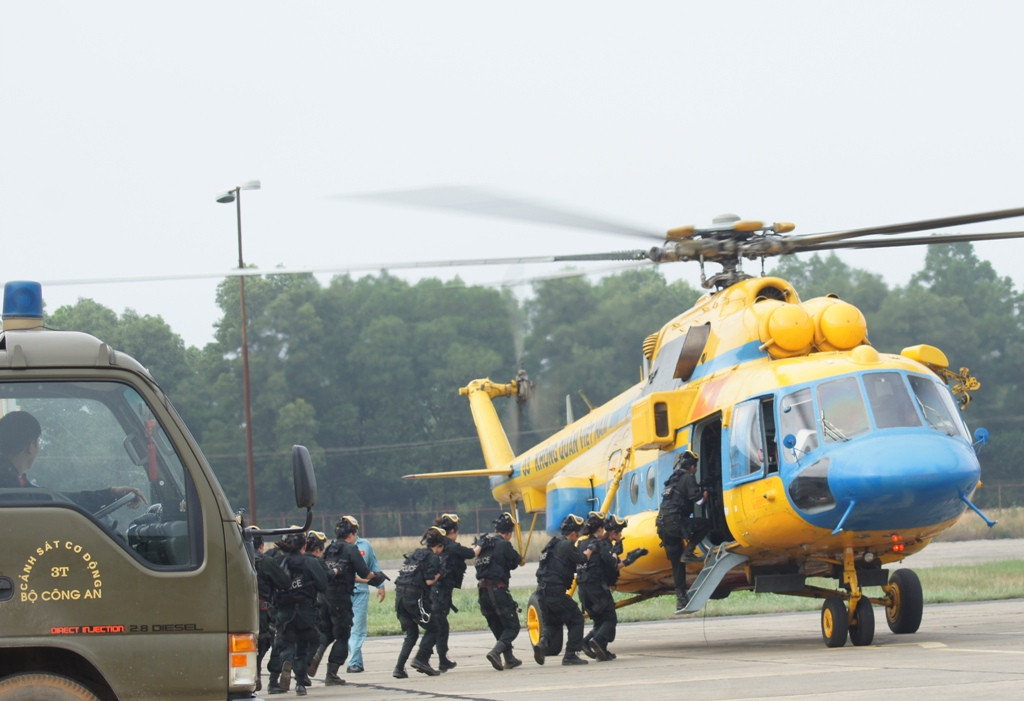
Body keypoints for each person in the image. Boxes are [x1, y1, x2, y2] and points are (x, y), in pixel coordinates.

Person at [0, 410, 146, 511]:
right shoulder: (10, 486)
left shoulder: (16, 484)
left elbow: (61, 500)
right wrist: (110, 494)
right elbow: (62, 503)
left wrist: (111, 493)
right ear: (31, 446)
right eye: (38, 442)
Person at [318, 516, 375, 686]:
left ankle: (313, 658)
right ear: (352, 534)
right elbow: (364, 572)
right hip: (340, 599)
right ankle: (332, 674)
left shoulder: (329, 548)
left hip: (324, 596)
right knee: (343, 636)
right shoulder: (351, 549)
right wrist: (375, 577)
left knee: (326, 632)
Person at [272, 532, 327, 697]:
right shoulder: (310, 562)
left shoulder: (278, 562)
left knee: (286, 644)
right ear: (304, 546)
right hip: (306, 612)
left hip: (284, 612)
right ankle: (300, 685)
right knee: (302, 649)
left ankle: (286, 662)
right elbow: (323, 585)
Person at [655, 449, 710, 613]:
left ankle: (681, 599)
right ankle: (689, 551)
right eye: (695, 467)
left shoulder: (672, 480)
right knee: (705, 524)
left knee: (677, 565)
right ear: (692, 467)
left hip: (663, 526)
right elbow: (698, 501)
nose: (696, 469)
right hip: (676, 523)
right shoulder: (688, 477)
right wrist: (705, 495)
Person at [533, 513, 591, 666]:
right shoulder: (566, 545)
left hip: (542, 593)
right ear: (573, 533)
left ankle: (542, 643)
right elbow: (582, 559)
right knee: (576, 619)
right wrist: (590, 550)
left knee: (552, 623)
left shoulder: (551, 545)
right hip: (556, 593)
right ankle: (570, 655)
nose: (578, 537)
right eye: (578, 534)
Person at [427, 513, 480, 671]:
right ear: (453, 531)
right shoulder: (450, 545)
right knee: (439, 626)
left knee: (441, 625)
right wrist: (482, 544)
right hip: (441, 592)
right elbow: (471, 553)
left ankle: (442, 659)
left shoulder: (437, 543)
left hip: (432, 592)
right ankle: (424, 658)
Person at [393, 526, 445, 678]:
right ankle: (421, 659)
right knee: (435, 628)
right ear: (439, 545)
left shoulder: (416, 554)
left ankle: (399, 668)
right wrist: (440, 573)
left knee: (412, 633)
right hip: (414, 598)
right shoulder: (433, 557)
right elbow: (429, 581)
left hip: (400, 598)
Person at [475, 511, 522, 671]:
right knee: (513, 626)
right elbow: (516, 561)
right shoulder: (503, 544)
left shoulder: (484, 544)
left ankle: (509, 659)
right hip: (497, 591)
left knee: (498, 626)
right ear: (509, 533)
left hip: (482, 592)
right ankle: (496, 652)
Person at [576, 512, 619, 662]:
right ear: (600, 529)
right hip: (597, 589)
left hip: (583, 590)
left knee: (600, 621)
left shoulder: (582, 544)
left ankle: (599, 649)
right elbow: (611, 564)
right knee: (610, 619)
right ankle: (596, 641)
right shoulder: (599, 545)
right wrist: (615, 553)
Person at [344, 525, 386, 674]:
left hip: (360, 592)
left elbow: (373, 565)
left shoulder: (365, 545)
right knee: (347, 629)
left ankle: (354, 662)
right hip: (343, 592)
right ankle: (357, 662)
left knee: (358, 628)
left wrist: (380, 585)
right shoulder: (338, 547)